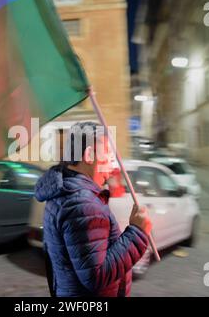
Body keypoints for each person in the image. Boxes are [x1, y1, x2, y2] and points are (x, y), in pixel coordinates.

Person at [34, 122, 152, 297]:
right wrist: (137, 233)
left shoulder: (61, 192)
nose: (112, 167)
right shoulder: (83, 205)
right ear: (89, 155)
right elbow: (96, 277)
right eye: (108, 157)